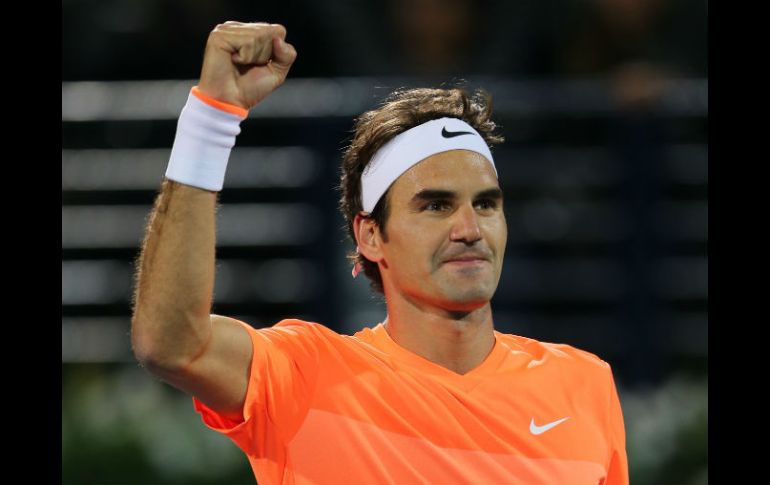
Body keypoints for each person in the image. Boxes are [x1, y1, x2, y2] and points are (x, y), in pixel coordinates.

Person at [131, 21, 629, 485]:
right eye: (436, 206)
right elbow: (172, 344)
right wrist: (212, 118)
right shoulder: (306, 376)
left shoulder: (585, 384)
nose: (470, 229)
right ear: (370, 236)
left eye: (485, 204)